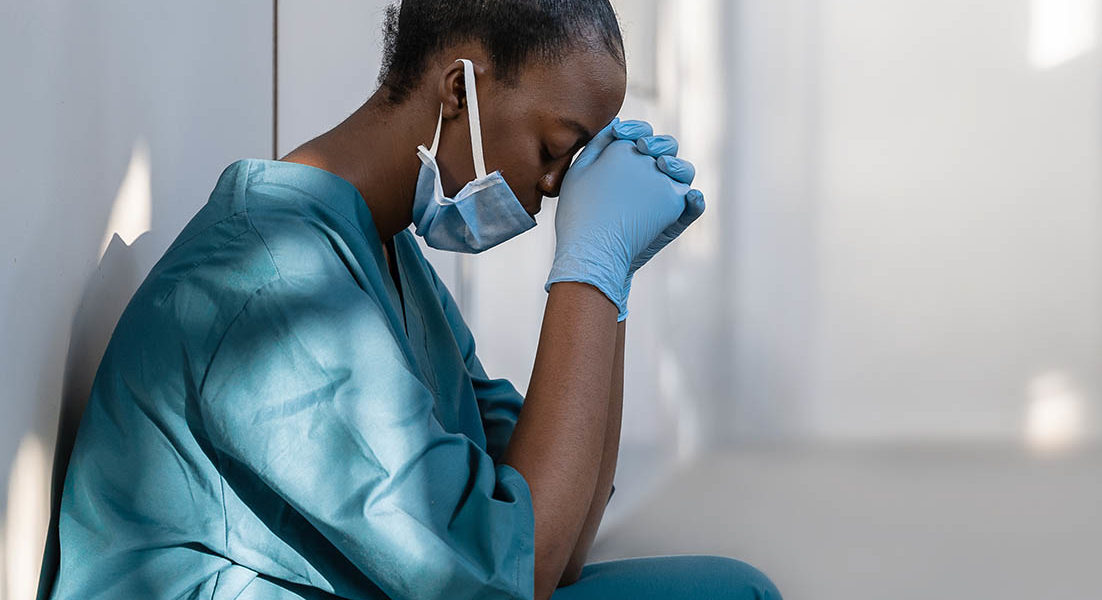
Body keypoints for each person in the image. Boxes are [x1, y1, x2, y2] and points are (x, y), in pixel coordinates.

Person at [43, 1, 782, 599]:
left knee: (726, 590)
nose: (557, 193)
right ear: (459, 90)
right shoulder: (272, 281)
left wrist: (612, 285)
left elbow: (558, 542)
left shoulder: (389, 256)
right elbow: (511, 574)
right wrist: (590, 266)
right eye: (556, 151)